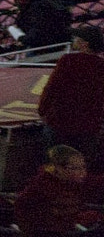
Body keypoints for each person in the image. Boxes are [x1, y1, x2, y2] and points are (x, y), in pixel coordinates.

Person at [37, 24, 104, 160]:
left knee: (55, 161)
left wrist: (42, 110)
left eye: (76, 38)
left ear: (84, 44)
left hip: (60, 121)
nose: (74, 40)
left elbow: (52, 89)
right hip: (89, 126)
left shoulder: (68, 61)